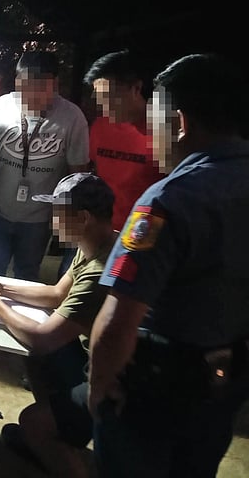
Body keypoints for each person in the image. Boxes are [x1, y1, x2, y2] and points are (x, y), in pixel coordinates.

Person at [88, 53, 249, 477]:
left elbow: (118, 319)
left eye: (155, 122)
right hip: (229, 380)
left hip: (160, 385)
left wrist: (99, 385)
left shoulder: (167, 201)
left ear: (179, 123)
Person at [0, 172, 116, 477]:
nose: (53, 222)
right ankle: (57, 432)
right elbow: (56, 294)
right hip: (95, 355)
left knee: (31, 420)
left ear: (83, 218)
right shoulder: (97, 243)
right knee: (35, 359)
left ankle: (48, 433)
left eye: (58, 214)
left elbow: (42, 338)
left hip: (116, 378)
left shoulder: (101, 270)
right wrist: (1, 287)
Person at [0, 50, 89, 283]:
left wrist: (64, 213)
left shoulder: (72, 117)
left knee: (27, 273)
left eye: (41, 87)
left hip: (39, 217)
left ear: (55, 84)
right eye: (25, 87)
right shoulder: (2, 106)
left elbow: (77, 171)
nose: (32, 95)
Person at [83, 49, 166, 232]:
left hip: (143, 234)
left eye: (110, 98)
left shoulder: (166, 131)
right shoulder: (100, 126)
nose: (104, 107)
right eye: (100, 99)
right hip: (100, 230)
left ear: (136, 88)